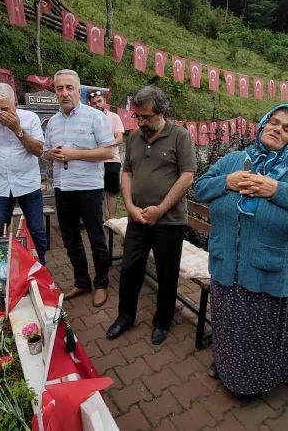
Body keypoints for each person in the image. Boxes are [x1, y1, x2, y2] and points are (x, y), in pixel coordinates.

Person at [193, 103, 288, 397]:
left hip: (267, 267)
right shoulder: (234, 160)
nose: (278, 129)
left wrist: (276, 190)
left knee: (259, 331)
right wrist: (227, 182)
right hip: (225, 261)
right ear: (263, 124)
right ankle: (225, 366)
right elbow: (200, 188)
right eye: (274, 122)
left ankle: (256, 382)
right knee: (227, 323)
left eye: (287, 128)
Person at [105, 86, 197, 345]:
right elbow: (127, 173)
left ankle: (163, 322)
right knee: (129, 269)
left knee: (167, 274)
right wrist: (130, 206)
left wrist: (160, 209)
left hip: (169, 221)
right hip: (138, 219)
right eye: (138, 116)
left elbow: (187, 177)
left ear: (162, 112)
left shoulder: (179, 136)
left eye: (146, 117)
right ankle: (125, 316)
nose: (141, 122)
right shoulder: (135, 137)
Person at [43, 69, 116, 307]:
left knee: (96, 237)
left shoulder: (95, 117)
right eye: (59, 88)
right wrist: (51, 154)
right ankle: (82, 281)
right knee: (70, 238)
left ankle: (101, 283)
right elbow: (45, 151)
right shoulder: (53, 122)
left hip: (89, 187)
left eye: (69, 87)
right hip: (62, 187)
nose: (64, 93)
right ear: (55, 91)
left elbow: (108, 151)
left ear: (78, 91)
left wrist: (73, 154)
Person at [0, 83, 48, 264]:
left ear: (15, 104)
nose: (1, 113)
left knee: (36, 230)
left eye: (6, 109)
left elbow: (39, 150)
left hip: (28, 185)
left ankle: (40, 267)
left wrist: (17, 130)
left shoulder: (30, 118)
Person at [87, 89, 125, 222]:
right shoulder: (88, 119)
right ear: (90, 105)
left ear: (105, 101)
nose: (97, 104)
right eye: (94, 103)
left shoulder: (114, 117)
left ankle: (112, 221)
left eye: (99, 101)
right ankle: (101, 221)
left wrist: (104, 145)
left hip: (112, 160)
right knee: (98, 193)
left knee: (111, 193)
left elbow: (119, 138)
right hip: (94, 161)